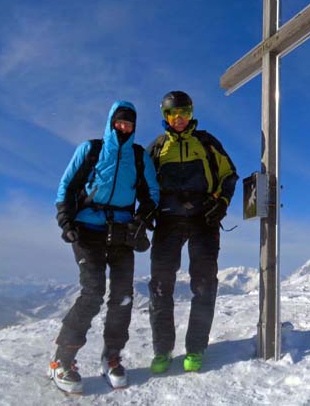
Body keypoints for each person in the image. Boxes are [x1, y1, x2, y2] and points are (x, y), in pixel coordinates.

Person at [49, 101, 159, 394]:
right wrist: (65, 220)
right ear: (111, 122)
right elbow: (67, 186)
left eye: (129, 124)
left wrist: (141, 219)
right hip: (87, 229)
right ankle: (63, 360)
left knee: (123, 295)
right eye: (120, 122)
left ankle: (111, 356)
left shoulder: (138, 157)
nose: (124, 127)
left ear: (134, 127)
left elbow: (152, 194)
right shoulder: (91, 149)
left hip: (122, 231)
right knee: (93, 292)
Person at [147, 90, 238, 373]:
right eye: (173, 114)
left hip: (203, 220)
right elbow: (143, 183)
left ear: (191, 113)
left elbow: (228, 175)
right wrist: (146, 212)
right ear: (165, 116)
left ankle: (195, 348)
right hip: (168, 221)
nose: (179, 119)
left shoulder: (206, 142)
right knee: (161, 286)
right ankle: (163, 351)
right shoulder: (157, 147)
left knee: (204, 285)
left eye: (184, 113)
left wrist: (220, 204)